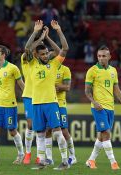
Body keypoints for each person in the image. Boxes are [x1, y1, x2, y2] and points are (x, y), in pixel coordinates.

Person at [27, 20, 69, 170]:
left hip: (51, 103)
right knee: (39, 134)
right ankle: (42, 162)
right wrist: (35, 32)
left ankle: (65, 161)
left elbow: (64, 49)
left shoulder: (54, 65)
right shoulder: (32, 64)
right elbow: (27, 48)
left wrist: (57, 31)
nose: (45, 55)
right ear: (36, 55)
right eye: (43, 54)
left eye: (46, 53)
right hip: (36, 103)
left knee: (57, 133)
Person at [84, 46, 121, 170]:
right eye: (99, 56)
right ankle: (113, 162)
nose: (101, 58)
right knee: (106, 133)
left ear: (109, 57)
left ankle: (91, 160)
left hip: (110, 107)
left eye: (104, 56)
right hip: (98, 107)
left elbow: (116, 88)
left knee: (101, 136)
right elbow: (87, 90)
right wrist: (94, 102)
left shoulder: (113, 70)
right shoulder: (92, 70)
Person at [0, 45, 25, 164]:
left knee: (12, 130)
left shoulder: (13, 68)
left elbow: (21, 84)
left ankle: (21, 154)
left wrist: (29, 97)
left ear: (3, 55)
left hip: (10, 104)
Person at [45, 63, 77, 166]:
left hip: (60, 103)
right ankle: (49, 158)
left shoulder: (65, 69)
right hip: (48, 102)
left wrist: (57, 86)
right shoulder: (46, 68)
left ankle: (72, 156)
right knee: (48, 130)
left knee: (64, 131)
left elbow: (67, 87)